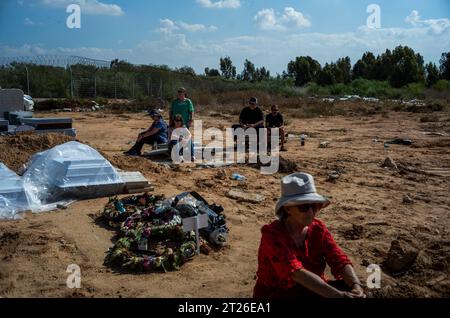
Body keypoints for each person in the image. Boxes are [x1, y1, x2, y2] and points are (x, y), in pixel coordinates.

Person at [253, 173, 366, 298]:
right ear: (287, 209)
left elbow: (338, 259)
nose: (311, 212)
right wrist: (337, 295)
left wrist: (356, 286)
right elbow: (295, 272)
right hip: (279, 294)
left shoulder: (318, 229)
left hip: (313, 289)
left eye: (314, 206)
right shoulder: (273, 235)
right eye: (304, 207)